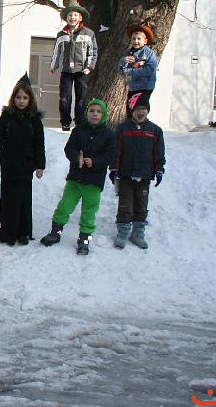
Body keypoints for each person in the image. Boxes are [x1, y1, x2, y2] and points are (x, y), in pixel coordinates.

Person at [40, 99, 116, 255]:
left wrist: (94, 161)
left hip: (94, 182)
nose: (95, 114)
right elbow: (69, 148)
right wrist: (77, 157)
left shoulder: (109, 134)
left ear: (103, 115)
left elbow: (110, 155)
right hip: (75, 179)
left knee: (89, 212)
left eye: (99, 111)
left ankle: (84, 239)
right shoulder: (78, 130)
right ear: (87, 113)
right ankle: (55, 232)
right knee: (64, 206)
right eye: (92, 111)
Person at [0, 74, 46, 246]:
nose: (21, 101)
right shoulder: (6, 118)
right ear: (13, 98)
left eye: (25, 98)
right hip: (8, 165)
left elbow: (39, 143)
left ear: (30, 99)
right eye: (18, 97)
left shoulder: (34, 120)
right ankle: (8, 233)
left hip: (26, 165)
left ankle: (23, 232)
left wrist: (40, 164)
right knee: (9, 200)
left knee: (24, 199)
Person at [110, 96, 166, 250]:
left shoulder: (155, 131)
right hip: (126, 174)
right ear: (132, 111)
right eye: (137, 109)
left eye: (143, 109)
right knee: (125, 204)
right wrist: (114, 168)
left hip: (145, 175)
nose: (141, 112)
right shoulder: (123, 128)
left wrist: (159, 170)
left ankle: (137, 233)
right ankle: (122, 232)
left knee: (141, 205)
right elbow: (116, 151)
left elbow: (159, 153)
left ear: (148, 110)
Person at [50, 4, 98, 131]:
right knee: (64, 98)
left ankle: (80, 122)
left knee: (81, 97)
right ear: (66, 18)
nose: (72, 17)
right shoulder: (61, 34)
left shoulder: (88, 33)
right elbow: (56, 51)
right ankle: (65, 122)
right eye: (70, 15)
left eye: (75, 15)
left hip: (81, 71)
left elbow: (93, 52)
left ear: (80, 18)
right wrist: (54, 66)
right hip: (66, 70)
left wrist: (89, 66)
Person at [117, 24, 159, 116]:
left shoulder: (149, 53)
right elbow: (120, 70)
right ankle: (131, 123)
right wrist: (122, 61)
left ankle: (142, 123)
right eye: (133, 39)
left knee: (140, 108)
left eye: (139, 39)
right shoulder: (127, 53)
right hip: (132, 87)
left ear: (145, 41)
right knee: (130, 110)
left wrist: (130, 71)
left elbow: (149, 70)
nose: (136, 41)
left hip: (145, 87)